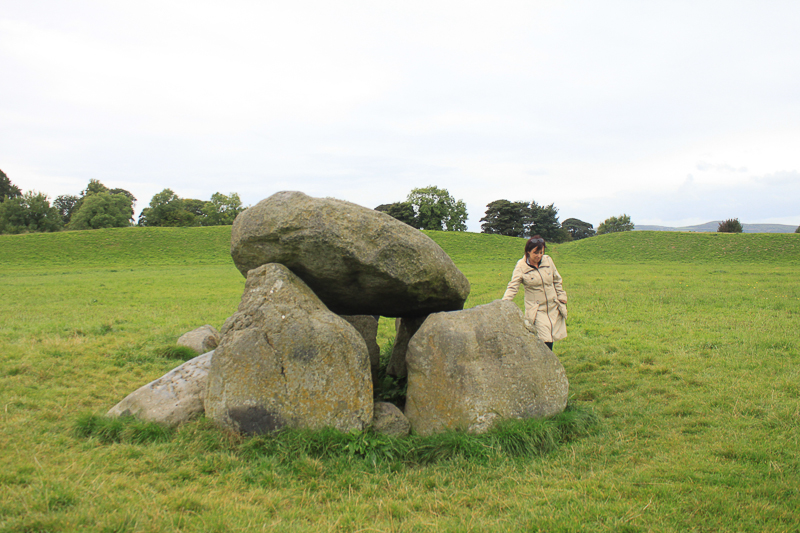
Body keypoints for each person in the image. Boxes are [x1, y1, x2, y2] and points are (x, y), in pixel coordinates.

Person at [502, 235, 567, 350]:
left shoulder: (548, 260)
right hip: (537, 310)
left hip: (552, 307)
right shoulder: (521, 266)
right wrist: (503, 304)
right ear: (528, 252)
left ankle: (545, 361)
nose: (539, 255)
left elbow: (557, 279)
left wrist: (561, 295)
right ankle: (546, 364)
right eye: (535, 252)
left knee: (550, 337)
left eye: (541, 252)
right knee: (545, 339)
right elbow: (513, 286)